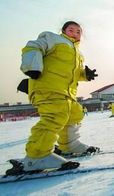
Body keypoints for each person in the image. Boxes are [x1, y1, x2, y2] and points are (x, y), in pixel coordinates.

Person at [7, 21, 99, 175]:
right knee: (54, 116)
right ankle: (36, 156)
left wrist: (85, 75)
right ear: (63, 30)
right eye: (71, 30)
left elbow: (71, 73)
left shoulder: (78, 53)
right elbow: (32, 47)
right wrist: (32, 67)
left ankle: (69, 145)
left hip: (67, 92)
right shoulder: (52, 38)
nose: (75, 33)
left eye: (78, 31)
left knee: (74, 114)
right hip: (48, 87)